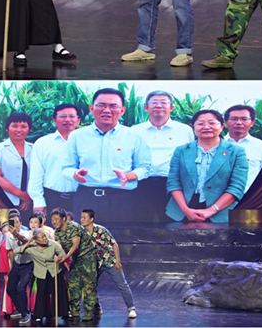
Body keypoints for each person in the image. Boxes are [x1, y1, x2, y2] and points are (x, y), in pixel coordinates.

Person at [62, 88, 151, 225]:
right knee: (85, 237)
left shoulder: (134, 136)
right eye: (101, 105)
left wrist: (128, 176)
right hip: (87, 198)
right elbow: (66, 168)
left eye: (113, 106)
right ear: (91, 108)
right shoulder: (77, 136)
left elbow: (144, 168)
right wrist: (75, 174)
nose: (107, 110)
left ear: (122, 110)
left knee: (122, 237)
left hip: (122, 200)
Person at [166, 109, 248, 223]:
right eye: (200, 124)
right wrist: (186, 210)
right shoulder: (181, 151)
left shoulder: (236, 152)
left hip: (221, 213)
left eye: (212, 123)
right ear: (193, 128)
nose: (206, 127)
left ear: (221, 127)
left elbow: (237, 186)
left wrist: (211, 210)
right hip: (181, 212)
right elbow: (173, 182)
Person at [131, 90, 194, 221]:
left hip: (173, 184)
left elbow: (190, 157)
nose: (158, 106)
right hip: (142, 183)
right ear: (146, 108)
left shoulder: (184, 130)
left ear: (171, 107)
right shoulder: (135, 131)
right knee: (141, 222)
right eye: (154, 102)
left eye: (163, 102)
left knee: (172, 221)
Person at [80, 208, 137, 319]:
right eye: (81, 217)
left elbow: (114, 244)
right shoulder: (81, 232)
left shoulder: (101, 230)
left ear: (91, 219)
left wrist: (118, 261)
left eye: (84, 217)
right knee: (91, 286)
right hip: (94, 263)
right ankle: (97, 307)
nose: (82, 219)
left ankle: (131, 308)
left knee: (122, 284)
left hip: (109, 260)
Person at [28, 103, 82, 215]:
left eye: (72, 116)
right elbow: (36, 173)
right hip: (52, 198)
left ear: (78, 120)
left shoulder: (86, 143)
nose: (67, 120)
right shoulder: (43, 143)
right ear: (54, 120)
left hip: (81, 198)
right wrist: (38, 201)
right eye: (62, 116)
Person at [51, 208, 98, 322]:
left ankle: (89, 312)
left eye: (56, 219)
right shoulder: (57, 232)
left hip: (87, 258)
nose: (54, 222)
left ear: (64, 219)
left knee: (89, 286)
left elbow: (75, 245)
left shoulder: (74, 227)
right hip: (75, 259)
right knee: (73, 285)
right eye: (52, 220)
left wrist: (66, 257)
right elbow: (59, 246)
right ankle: (74, 310)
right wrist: (58, 256)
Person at [0, 113, 34, 218]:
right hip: (4, 201)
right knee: (6, 227)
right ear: (7, 128)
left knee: (27, 227)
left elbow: (38, 175)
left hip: (30, 203)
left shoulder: (34, 149)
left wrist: (29, 198)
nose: (19, 130)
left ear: (29, 129)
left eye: (23, 126)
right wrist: (22, 195)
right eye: (14, 126)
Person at [17, 229, 67, 324]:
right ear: (36, 240)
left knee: (57, 292)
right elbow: (17, 251)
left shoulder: (52, 244)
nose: (45, 238)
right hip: (41, 272)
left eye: (45, 236)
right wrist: (28, 243)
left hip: (54, 271)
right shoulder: (32, 248)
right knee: (41, 293)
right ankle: (40, 315)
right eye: (42, 237)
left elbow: (62, 254)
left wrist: (59, 258)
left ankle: (61, 313)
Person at [224, 104, 262, 191]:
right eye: (234, 119)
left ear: (252, 122)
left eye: (244, 119)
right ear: (226, 122)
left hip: (250, 196)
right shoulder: (215, 145)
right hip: (218, 197)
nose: (239, 122)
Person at [2, 213, 33, 324]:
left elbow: (25, 241)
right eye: (12, 222)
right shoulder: (8, 236)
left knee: (20, 288)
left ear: (20, 223)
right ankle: (22, 309)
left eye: (16, 222)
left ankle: (25, 314)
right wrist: (11, 267)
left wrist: (16, 234)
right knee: (10, 289)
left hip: (28, 265)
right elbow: (10, 251)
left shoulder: (26, 233)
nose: (14, 224)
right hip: (16, 265)